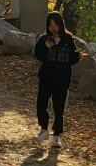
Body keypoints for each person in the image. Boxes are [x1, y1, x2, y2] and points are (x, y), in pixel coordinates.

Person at [32, 12, 86, 149]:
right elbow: (38, 55)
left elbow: (71, 58)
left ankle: (57, 135)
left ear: (60, 24)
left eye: (55, 24)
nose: (52, 27)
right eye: (50, 24)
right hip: (46, 76)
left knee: (59, 107)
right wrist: (46, 47)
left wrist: (78, 56)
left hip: (62, 78)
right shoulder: (44, 39)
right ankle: (44, 129)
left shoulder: (68, 39)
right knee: (41, 103)